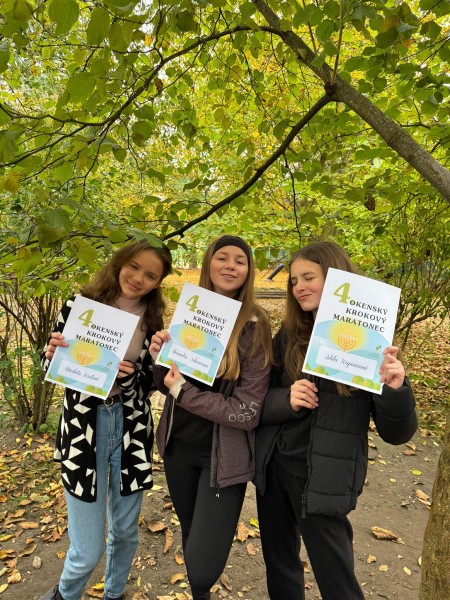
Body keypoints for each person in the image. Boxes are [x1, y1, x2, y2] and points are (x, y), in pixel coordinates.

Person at [254, 240, 417, 600]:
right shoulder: (289, 336)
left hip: (324, 480)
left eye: (308, 277)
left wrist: (395, 390)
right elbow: (259, 399)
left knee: (336, 579)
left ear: (336, 279)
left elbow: (396, 434)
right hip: (275, 469)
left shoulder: (371, 344)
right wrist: (285, 399)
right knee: (280, 566)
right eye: (294, 280)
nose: (298, 287)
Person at [41, 240, 172, 600]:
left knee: (126, 533)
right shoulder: (79, 306)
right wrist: (50, 354)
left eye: (151, 275)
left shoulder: (152, 320)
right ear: (119, 263)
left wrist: (132, 378)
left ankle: (114, 594)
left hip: (131, 428)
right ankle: (64, 595)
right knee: (87, 549)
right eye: (134, 267)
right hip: (83, 428)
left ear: (158, 283)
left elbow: (150, 384)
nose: (139, 278)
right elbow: (52, 366)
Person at [149, 235, 273, 600]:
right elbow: (166, 384)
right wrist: (159, 357)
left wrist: (183, 392)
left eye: (240, 260)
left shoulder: (254, 325)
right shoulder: (192, 312)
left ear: (249, 271)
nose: (230, 265)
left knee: (202, 567)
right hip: (177, 448)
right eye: (222, 257)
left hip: (222, 459)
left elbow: (246, 412)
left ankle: (200, 589)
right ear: (208, 263)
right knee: (191, 537)